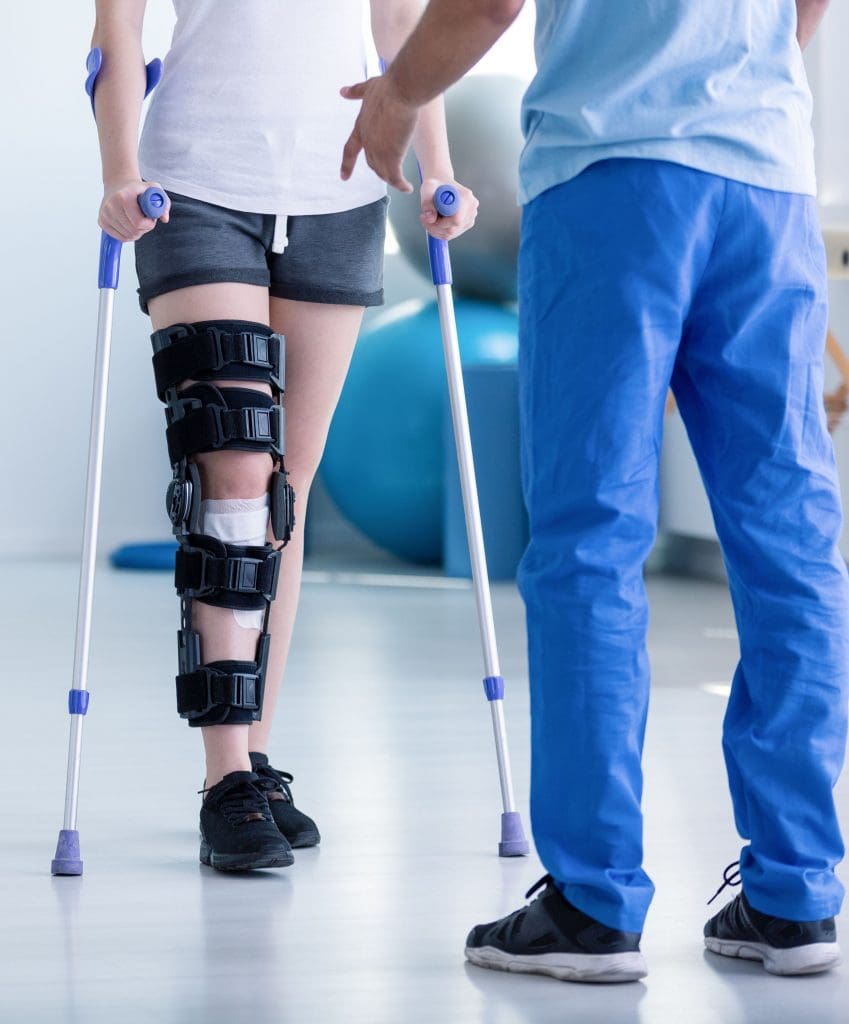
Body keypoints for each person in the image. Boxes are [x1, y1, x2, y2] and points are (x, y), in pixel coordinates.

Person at [342, 0, 848, 981]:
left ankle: (593, 903)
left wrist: (399, 95)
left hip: (613, 174)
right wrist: (740, 77)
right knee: (790, 545)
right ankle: (796, 896)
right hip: (767, 184)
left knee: (590, 541)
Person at [89, 0, 478, 873]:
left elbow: (404, 25)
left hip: (341, 187)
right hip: (192, 188)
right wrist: (118, 171)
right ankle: (224, 776)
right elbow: (117, 32)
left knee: (279, 495)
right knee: (228, 479)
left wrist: (439, 171)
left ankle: (256, 756)